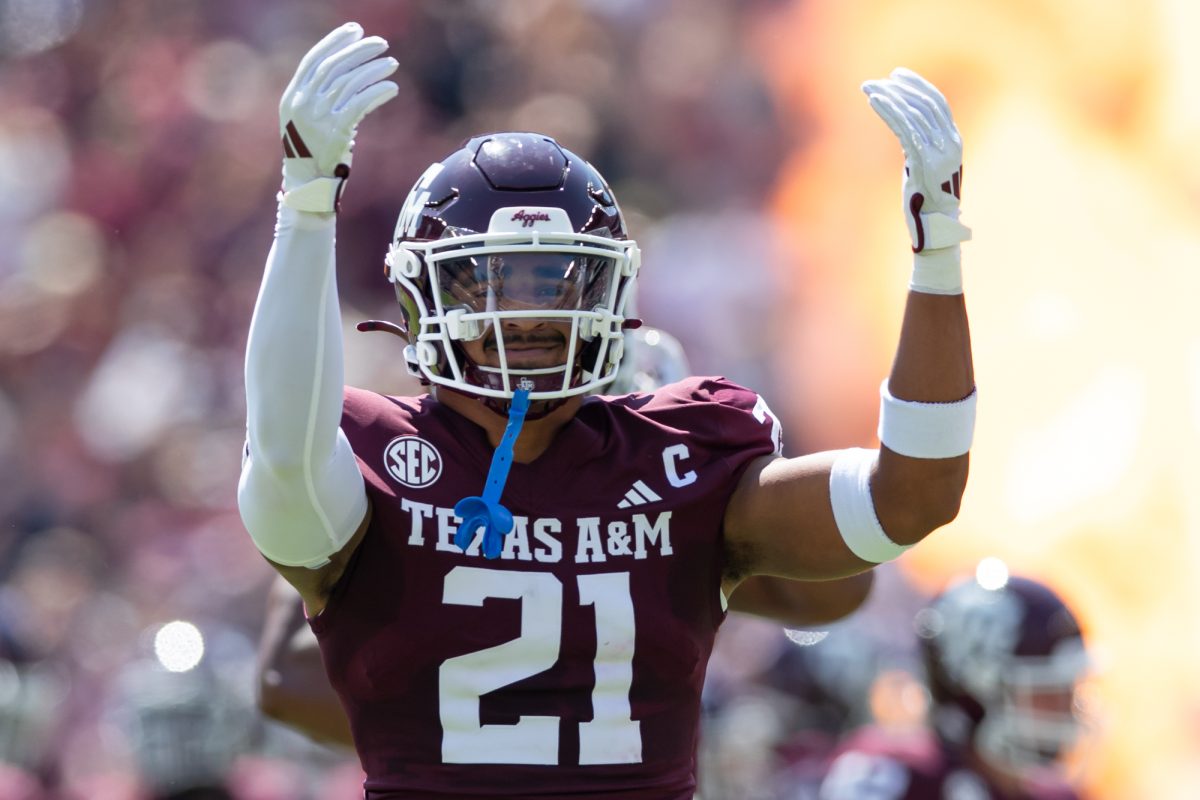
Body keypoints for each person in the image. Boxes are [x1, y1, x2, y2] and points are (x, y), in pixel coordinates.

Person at [238, 21, 976, 799]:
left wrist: (938, 255)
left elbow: (912, 494)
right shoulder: (374, 458)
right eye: (487, 284)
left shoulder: (680, 454)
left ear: (612, 295)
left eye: (558, 282)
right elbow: (284, 455)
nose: (523, 317)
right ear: (420, 296)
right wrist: (307, 207)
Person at [256, 325, 877, 749]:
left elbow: (837, 590)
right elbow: (285, 681)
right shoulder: (416, 485)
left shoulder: (663, 516)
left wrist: (720, 510)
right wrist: (482, 734)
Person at [817, 571, 1092, 800]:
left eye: (1070, 689)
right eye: (1047, 692)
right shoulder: (894, 777)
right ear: (977, 692)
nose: (1069, 707)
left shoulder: (1057, 795)